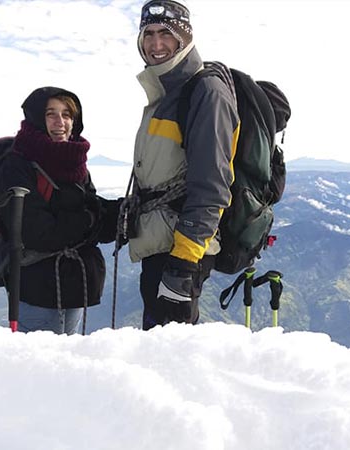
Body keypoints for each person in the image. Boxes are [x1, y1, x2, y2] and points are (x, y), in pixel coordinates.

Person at [124, 0, 239, 330]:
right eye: (149, 34)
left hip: (181, 252)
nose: (156, 44)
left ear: (184, 39)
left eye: (166, 34)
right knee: (160, 345)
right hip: (162, 247)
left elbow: (212, 184)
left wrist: (183, 264)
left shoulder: (205, 91)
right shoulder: (166, 93)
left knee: (170, 353)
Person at [0, 86, 118, 334]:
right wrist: (89, 220)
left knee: (63, 364)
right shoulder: (18, 164)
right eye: (50, 114)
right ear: (36, 119)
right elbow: (37, 232)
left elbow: (92, 217)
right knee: (39, 368)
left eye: (67, 114)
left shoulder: (75, 163)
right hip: (38, 289)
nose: (60, 122)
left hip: (71, 285)